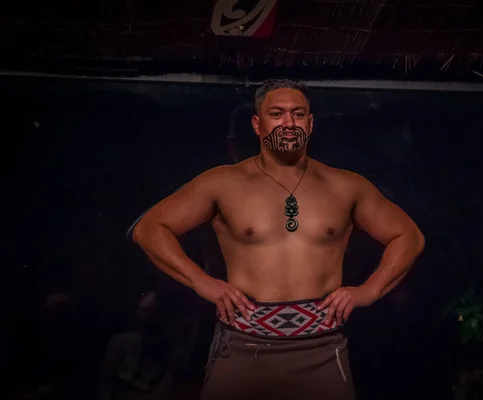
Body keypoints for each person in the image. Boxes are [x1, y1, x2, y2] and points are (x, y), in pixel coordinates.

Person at [132, 78, 425, 400]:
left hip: (322, 349)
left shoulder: (346, 186)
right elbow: (150, 228)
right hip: (243, 347)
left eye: (298, 114)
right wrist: (202, 282)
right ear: (258, 124)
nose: (288, 122)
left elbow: (407, 236)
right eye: (277, 114)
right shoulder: (222, 183)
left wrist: (370, 290)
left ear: (310, 124)